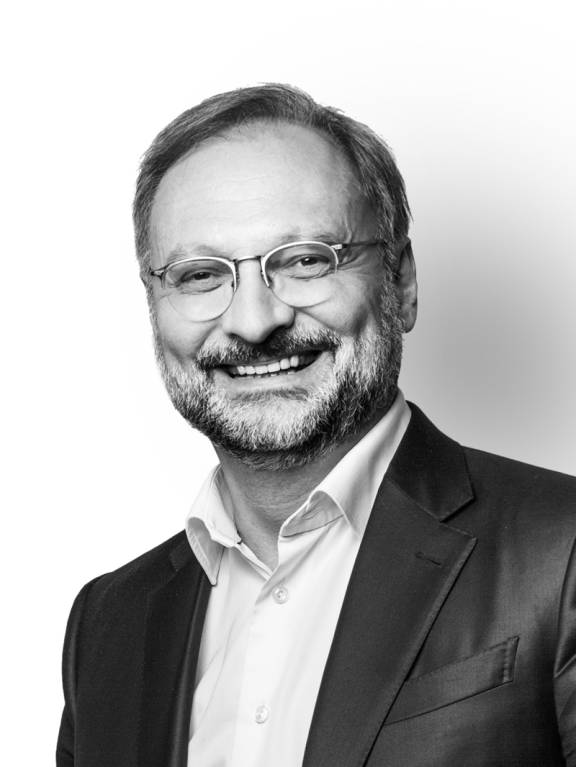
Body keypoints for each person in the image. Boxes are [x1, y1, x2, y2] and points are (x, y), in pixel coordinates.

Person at [57, 84, 576, 767]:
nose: (253, 322)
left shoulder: (561, 553)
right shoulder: (106, 624)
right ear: (154, 302)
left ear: (401, 282)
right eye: (200, 274)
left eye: (305, 260)